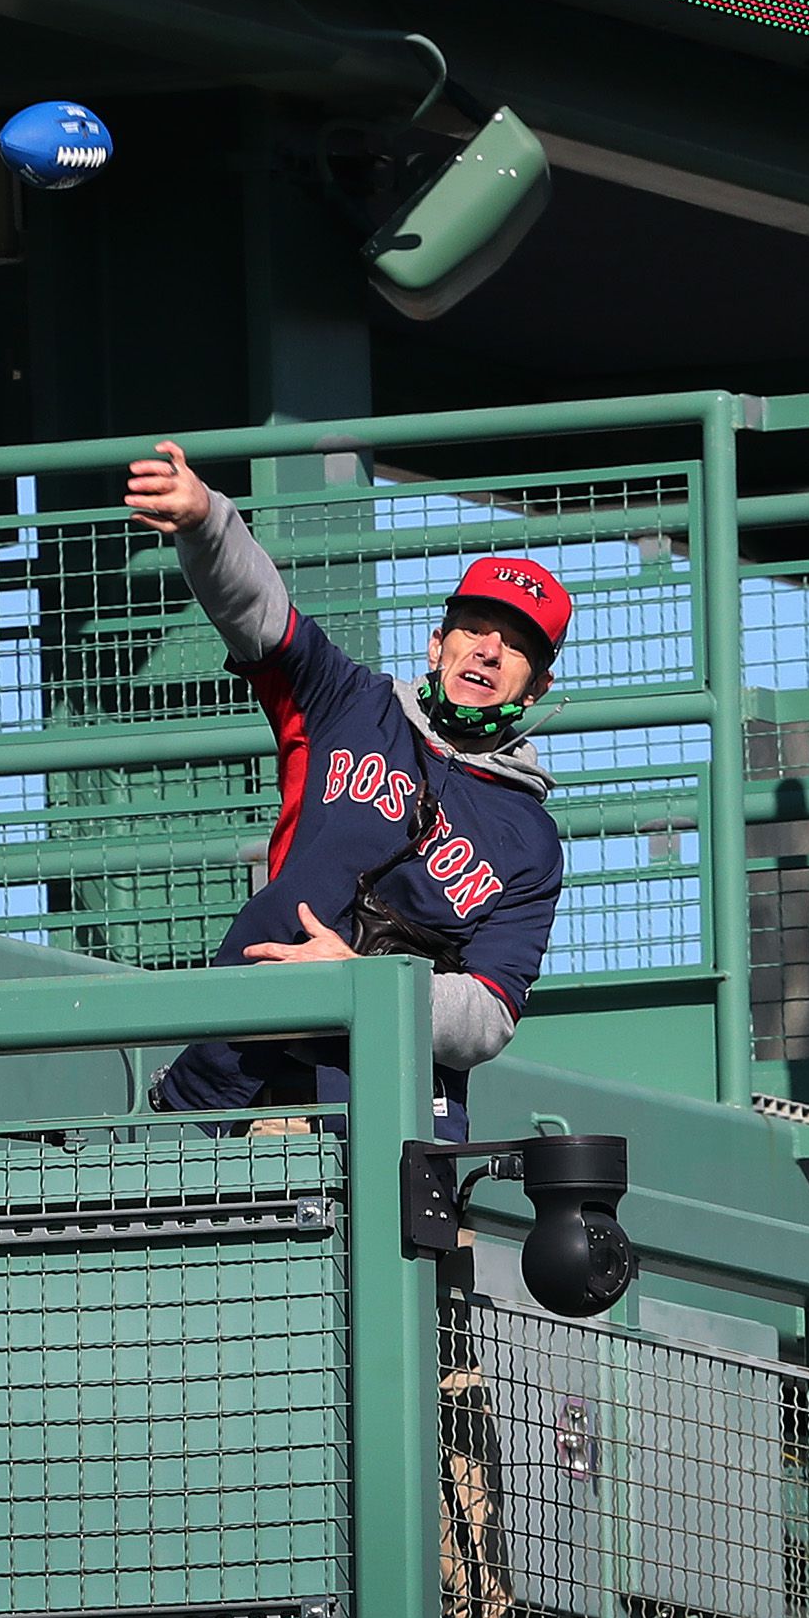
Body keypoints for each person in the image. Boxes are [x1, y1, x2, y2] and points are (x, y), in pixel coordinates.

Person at [125, 439, 568, 1134]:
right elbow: (262, 617)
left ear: (538, 684)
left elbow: (491, 1013)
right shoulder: (351, 703)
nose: (487, 649)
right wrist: (209, 522)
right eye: (474, 629)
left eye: (515, 644)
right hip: (246, 1071)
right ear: (437, 643)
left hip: (387, 1110)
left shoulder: (530, 838)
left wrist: (365, 982)